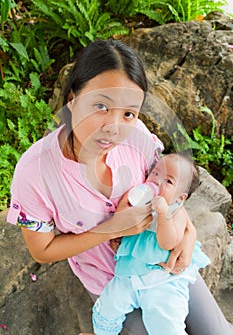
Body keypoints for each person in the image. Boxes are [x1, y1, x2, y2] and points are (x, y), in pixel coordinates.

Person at [6, 39, 233, 335]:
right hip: (111, 283)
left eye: (129, 113)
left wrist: (187, 233)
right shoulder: (35, 172)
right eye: (101, 106)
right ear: (72, 99)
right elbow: (43, 250)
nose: (114, 127)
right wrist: (114, 228)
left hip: (161, 263)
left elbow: (164, 189)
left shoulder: (137, 136)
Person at [84, 153, 210, 335]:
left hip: (161, 280)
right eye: (155, 174)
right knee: (108, 306)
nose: (158, 181)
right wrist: (130, 202)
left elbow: (168, 242)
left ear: (180, 198)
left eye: (168, 182)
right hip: (128, 274)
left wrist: (163, 215)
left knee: (165, 323)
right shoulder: (139, 199)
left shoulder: (176, 213)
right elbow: (121, 216)